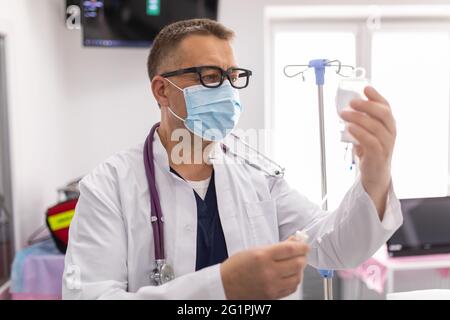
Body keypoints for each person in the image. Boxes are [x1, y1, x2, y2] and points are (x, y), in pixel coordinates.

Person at [62, 18, 402, 300]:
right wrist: (221, 286)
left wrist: (375, 174)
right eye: (209, 77)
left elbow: (336, 247)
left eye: (231, 77)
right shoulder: (109, 187)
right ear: (162, 90)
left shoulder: (258, 173)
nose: (226, 91)